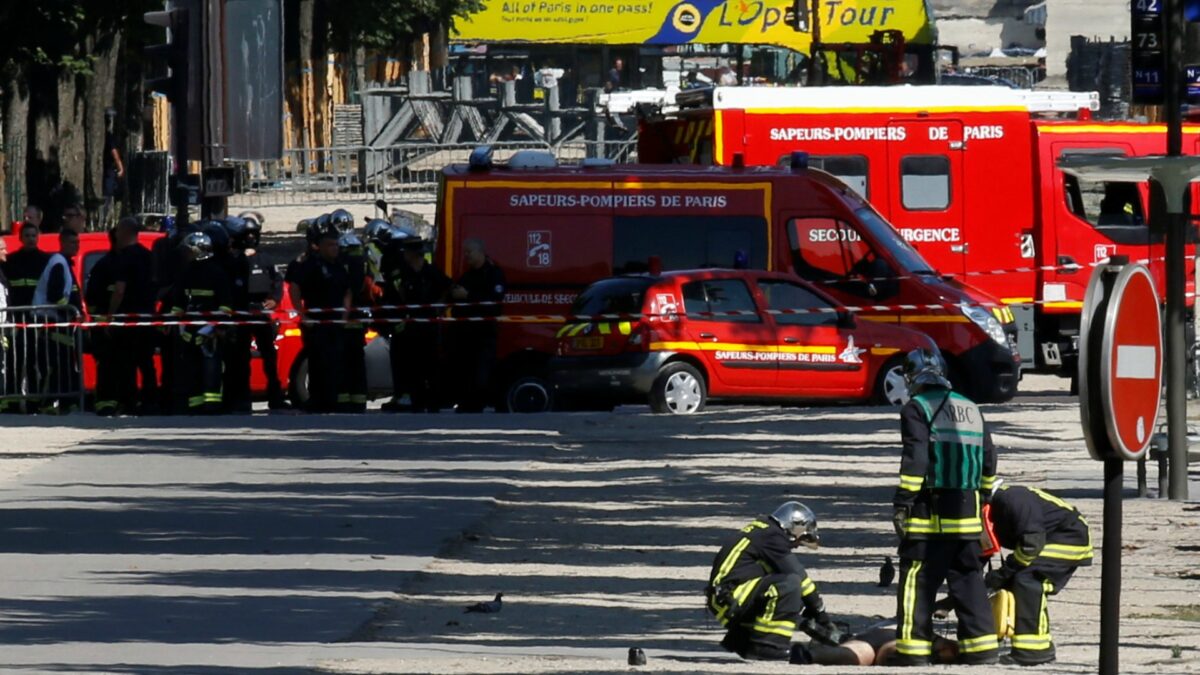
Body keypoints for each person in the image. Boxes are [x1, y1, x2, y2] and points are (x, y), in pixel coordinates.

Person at [892, 347, 999, 666]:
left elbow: (916, 460)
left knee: (917, 578)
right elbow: (989, 460)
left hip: (930, 513)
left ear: (913, 377)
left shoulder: (916, 408)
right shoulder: (971, 408)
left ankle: (913, 652)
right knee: (968, 580)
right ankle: (982, 650)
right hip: (967, 515)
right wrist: (983, 499)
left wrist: (904, 501)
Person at [706, 501, 834, 661]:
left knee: (792, 596)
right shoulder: (772, 536)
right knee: (790, 585)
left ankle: (743, 642)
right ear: (795, 526)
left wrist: (807, 610)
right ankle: (770, 646)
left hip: (725, 597)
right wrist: (820, 614)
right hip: (730, 597)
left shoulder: (763, 530)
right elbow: (799, 575)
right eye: (800, 539)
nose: (796, 546)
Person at [984, 482, 1092, 666]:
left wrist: (1004, 573)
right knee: (1017, 578)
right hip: (1049, 539)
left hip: (1068, 539)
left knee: (1027, 580)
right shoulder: (1002, 504)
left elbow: (1032, 542)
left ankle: (1033, 650)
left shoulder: (1012, 498)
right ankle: (1027, 642)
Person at [169, 231, 232, 414]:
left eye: (188, 251)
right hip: (189, 333)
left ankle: (212, 405)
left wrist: (212, 328)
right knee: (192, 372)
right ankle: (195, 406)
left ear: (198, 251)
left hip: (210, 333)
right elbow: (178, 304)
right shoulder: (186, 272)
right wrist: (178, 326)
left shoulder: (217, 273)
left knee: (211, 371)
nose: (185, 255)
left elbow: (225, 307)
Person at [296, 221, 350, 413]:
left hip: (335, 322)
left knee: (335, 363)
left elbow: (347, 291)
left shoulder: (339, 267)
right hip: (315, 322)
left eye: (336, 245)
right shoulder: (310, 266)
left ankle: (332, 400)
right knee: (317, 363)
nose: (335, 249)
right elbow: (295, 288)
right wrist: (302, 315)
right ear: (321, 247)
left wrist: (344, 315)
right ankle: (316, 400)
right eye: (331, 245)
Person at [394, 235, 450, 412]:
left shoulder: (432, 272)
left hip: (430, 326)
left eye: (407, 252)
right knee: (412, 366)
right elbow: (396, 295)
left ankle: (434, 403)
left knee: (432, 365)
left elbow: (448, 288)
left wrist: (440, 307)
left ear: (414, 254)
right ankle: (416, 402)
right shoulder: (402, 273)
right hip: (411, 327)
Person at [109, 217, 158, 414]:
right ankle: (150, 401)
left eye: (118, 230)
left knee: (127, 363)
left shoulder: (124, 257)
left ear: (125, 232)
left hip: (127, 317)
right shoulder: (148, 256)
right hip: (147, 315)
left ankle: (129, 402)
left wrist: (111, 315)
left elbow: (119, 289)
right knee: (146, 362)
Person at [449, 238, 505, 412]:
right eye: (465, 253)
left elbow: (494, 302)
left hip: (485, 332)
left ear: (480, 252)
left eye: (469, 252)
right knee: (467, 369)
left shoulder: (493, 274)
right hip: (466, 333)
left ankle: (483, 403)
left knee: (483, 370)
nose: (466, 256)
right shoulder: (468, 275)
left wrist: (468, 296)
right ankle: (468, 403)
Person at [1, 222, 51, 412]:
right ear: (21, 238)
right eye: (27, 236)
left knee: (34, 363)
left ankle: (34, 402)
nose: (31, 239)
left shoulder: (45, 260)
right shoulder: (11, 261)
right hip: (15, 320)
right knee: (14, 362)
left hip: (37, 320)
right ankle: (12, 401)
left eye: (34, 235)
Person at [32, 229, 82, 413]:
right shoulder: (59, 264)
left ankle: (65, 401)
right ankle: (48, 402)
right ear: (62, 243)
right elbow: (56, 296)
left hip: (58, 323)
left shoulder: (63, 263)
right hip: (52, 322)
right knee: (56, 365)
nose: (76, 246)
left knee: (65, 363)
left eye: (77, 242)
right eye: (72, 242)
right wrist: (69, 311)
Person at [240, 213, 287, 409]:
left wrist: (274, 300)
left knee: (269, 355)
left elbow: (278, 281)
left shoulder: (266, 259)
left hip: (262, 312)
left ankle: (275, 397)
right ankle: (241, 398)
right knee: (241, 357)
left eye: (253, 233)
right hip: (242, 313)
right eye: (247, 234)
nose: (250, 238)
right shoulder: (235, 259)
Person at [215, 218, 252, 413]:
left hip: (233, 321)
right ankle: (234, 399)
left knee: (235, 362)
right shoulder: (236, 261)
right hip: (232, 320)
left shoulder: (235, 263)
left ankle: (236, 400)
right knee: (233, 362)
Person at [86, 229, 121, 416]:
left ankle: (114, 401)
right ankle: (106, 403)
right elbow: (92, 300)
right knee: (108, 365)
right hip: (105, 326)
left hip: (112, 324)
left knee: (114, 365)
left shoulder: (106, 264)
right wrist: (101, 322)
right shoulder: (105, 266)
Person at [337, 231, 368, 413]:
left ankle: (343, 401)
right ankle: (359, 402)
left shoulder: (341, 263)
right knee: (357, 364)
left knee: (343, 363)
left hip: (344, 320)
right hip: (358, 320)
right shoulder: (363, 260)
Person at [101, 109, 125, 227]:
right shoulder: (110, 136)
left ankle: (107, 219)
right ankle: (105, 221)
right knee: (108, 195)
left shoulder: (107, 135)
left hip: (108, 168)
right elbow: (114, 152)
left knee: (110, 195)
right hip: (109, 169)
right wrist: (120, 166)